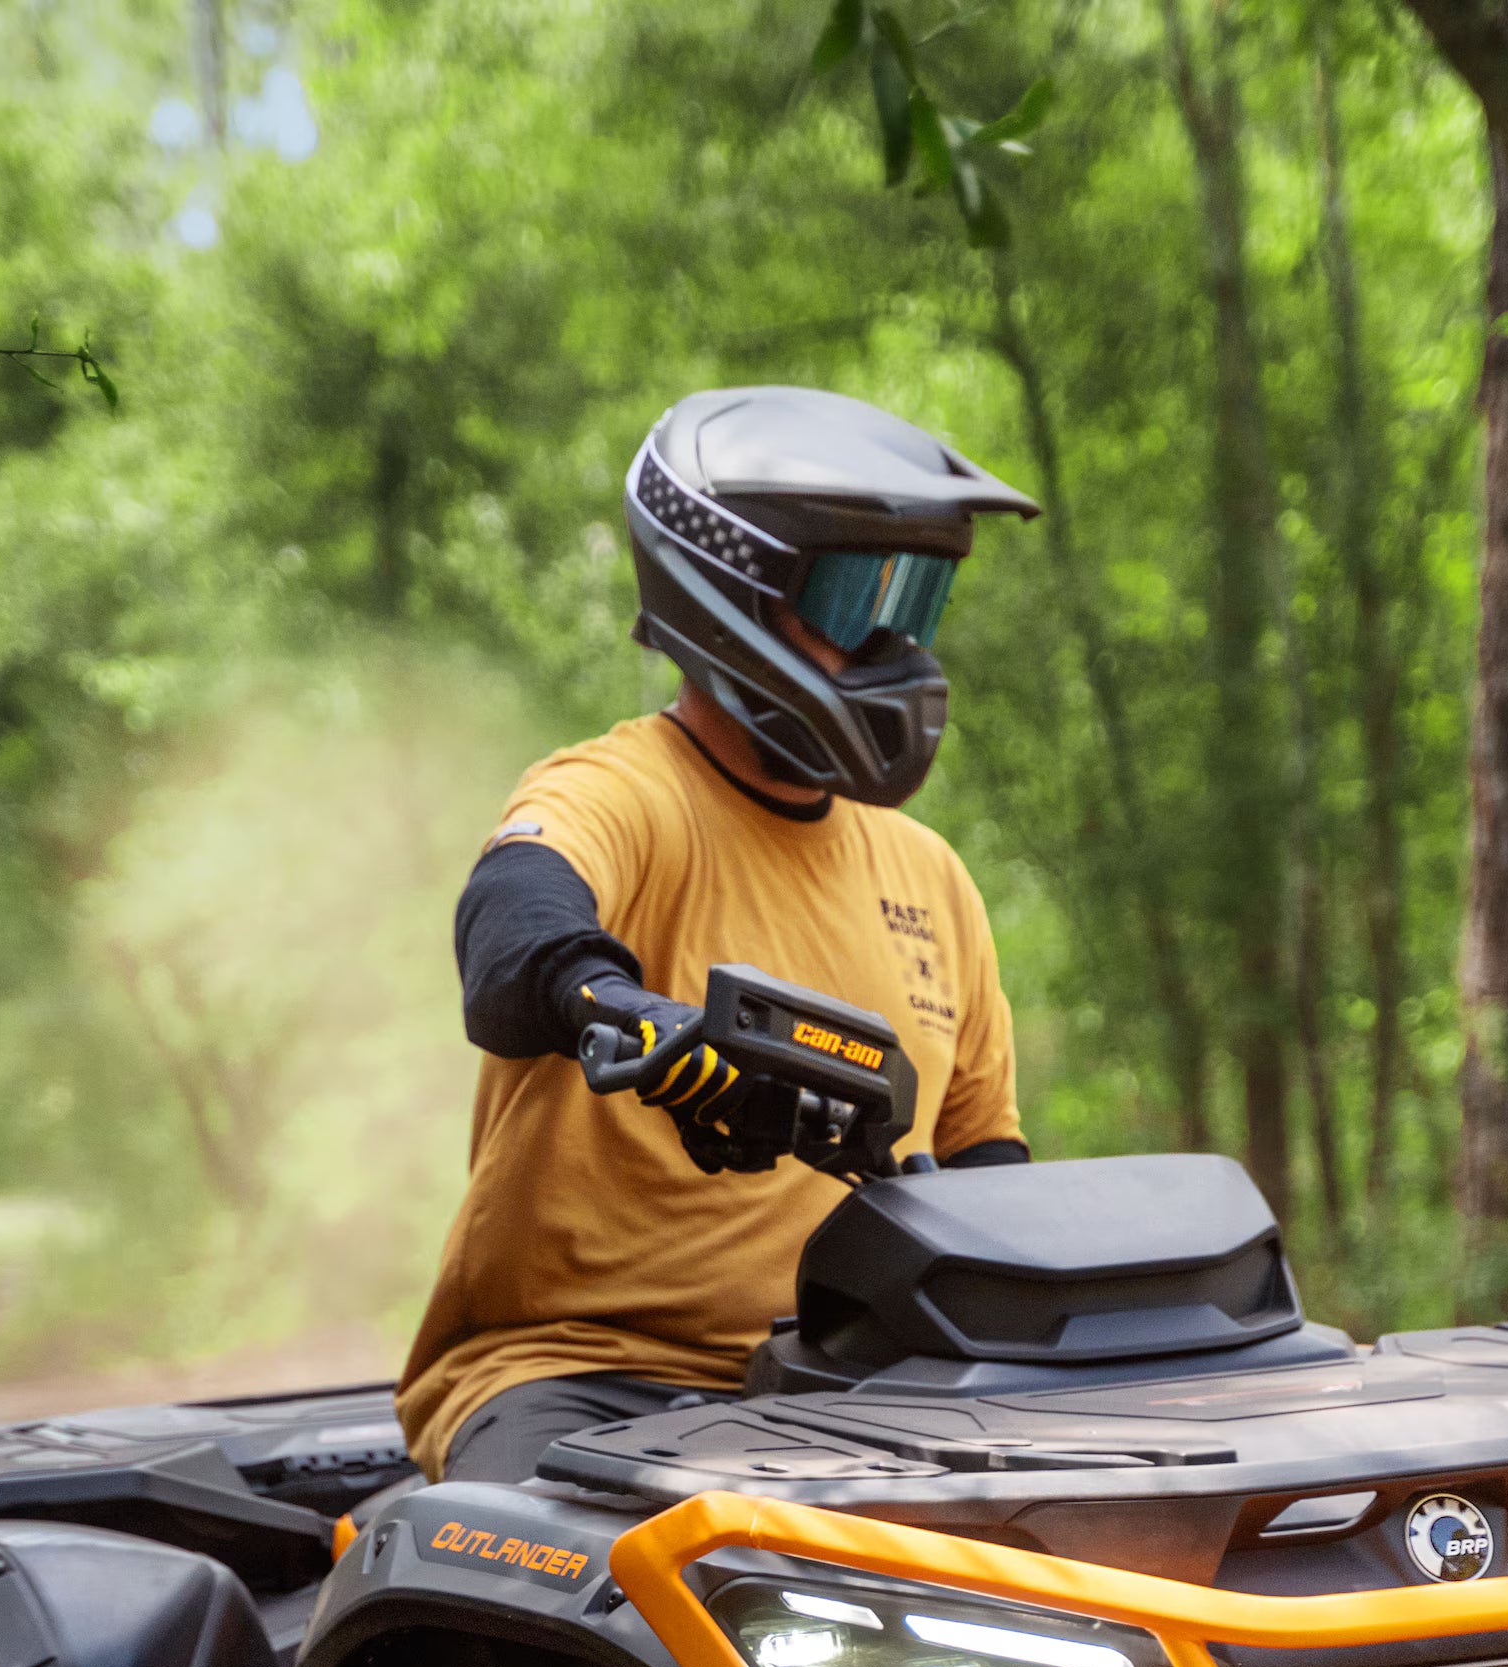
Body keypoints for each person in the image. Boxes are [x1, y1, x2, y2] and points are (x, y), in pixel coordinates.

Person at [399, 385, 1044, 1484]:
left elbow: (986, 1175)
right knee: (560, 1600)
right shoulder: (622, 791)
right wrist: (636, 1020)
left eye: (916, 605)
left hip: (862, 1393)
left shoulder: (928, 876)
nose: (895, 646)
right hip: (582, 1375)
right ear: (729, 589)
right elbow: (512, 925)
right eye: (855, 602)